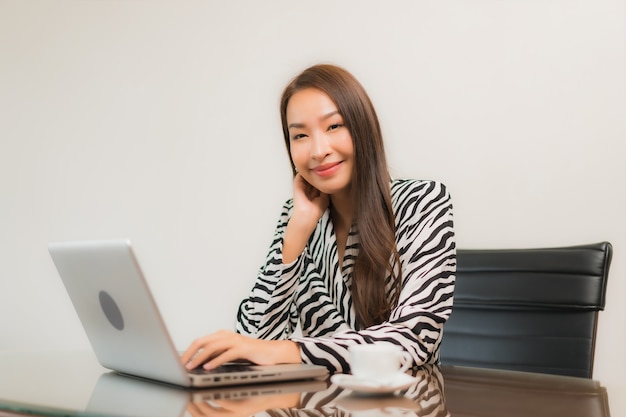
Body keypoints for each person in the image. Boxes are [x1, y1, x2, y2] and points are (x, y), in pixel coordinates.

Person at [181, 64, 456, 374]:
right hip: (323, 405)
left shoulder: (421, 200)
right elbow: (254, 342)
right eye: (300, 135)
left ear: (362, 128)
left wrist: (289, 350)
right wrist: (297, 231)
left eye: (334, 126)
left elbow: (414, 338)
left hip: (406, 404)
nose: (318, 150)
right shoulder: (298, 218)